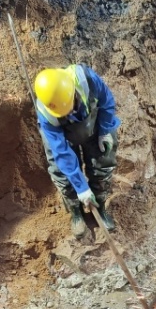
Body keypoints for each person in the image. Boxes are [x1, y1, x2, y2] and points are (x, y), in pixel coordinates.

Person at [34, 65, 121, 239]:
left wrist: (105, 131)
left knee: (104, 161)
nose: (68, 112)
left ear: (73, 92)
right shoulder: (47, 112)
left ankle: (100, 205)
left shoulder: (87, 79)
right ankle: (76, 212)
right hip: (64, 138)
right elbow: (61, 152)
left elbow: (107, 102)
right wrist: (81, 189)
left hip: (93, 126)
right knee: (61, 172)